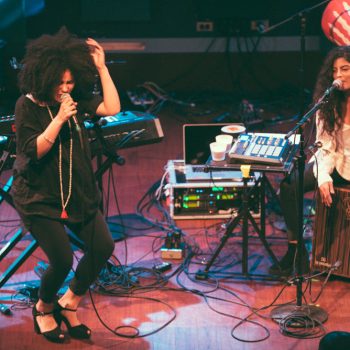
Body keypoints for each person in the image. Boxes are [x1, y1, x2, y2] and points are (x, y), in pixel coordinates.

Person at [11, 27, 121, 343]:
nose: (65, 87)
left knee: (103, 247)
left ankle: (69, 303)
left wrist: (102, 68)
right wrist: (59, 118)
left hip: (77, 191)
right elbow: (34, 150)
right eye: (59, 82)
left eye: (70, 82)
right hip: (39, 196)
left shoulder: (76, 98)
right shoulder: (27, 105)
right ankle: (44, 309)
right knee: (61, 259)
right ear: (43, 77)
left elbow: (111, 108)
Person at [269, 45, 350, 276]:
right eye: (335, 70)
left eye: (345, 69)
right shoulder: (327, 103)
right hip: (334, 162)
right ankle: (296, 252)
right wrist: (323, 177)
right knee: (289, 185)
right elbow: (325, 146)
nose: (339, 76)